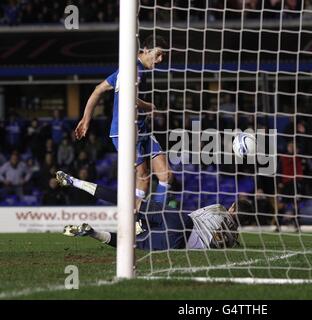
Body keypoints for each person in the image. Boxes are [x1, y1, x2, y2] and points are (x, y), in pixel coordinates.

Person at [74, 35, 173, 208]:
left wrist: (86, 118)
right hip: (125, 132)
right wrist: (149, 106)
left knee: (166, 175)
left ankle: (155, 216)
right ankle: (137, 223)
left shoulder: (130, 69)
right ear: (146, 50)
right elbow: (130, 98)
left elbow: (98, 89)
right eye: (158, 54)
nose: (160, 59)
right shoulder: (134, 70)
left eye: (163, 56)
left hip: (142, 131)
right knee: (143, 177)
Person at [57, 170, 253, 251]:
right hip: (179, 243)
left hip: (182, 221)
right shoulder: (232, 241)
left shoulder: (219, 208)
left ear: (233, 207)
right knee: (129, 243)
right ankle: (94, 233)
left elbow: (196, 215)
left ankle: (74, 181)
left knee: (128, 201)